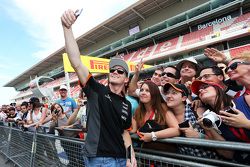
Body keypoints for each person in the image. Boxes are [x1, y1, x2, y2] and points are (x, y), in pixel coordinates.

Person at [61, 9, 136, 167]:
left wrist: (130, 157)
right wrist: (67, 28)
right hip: (99, 159)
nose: (115, 72)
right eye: (112, 70)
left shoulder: (127, 105)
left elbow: (125, 133)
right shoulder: (96, 90)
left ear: (126, 79)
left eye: (120, 71)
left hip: (121, 159)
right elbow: (76, 62)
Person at [191, 80, 250, 164]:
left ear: (218, 88)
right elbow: (228, 154)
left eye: (205, 87)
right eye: (198, 92)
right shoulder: (212, 120)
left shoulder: (245, 100)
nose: (200, 90)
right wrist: (209, 129)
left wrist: (246, 123)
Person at [163, 82, 218, 158]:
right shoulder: (167, 116)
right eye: (167, 93)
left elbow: (217, 142)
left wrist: (198, 136)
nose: (168, 96)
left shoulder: (196, 110)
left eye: (174, 93)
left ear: (184, 98)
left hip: (210, 160)